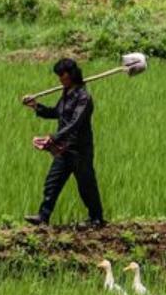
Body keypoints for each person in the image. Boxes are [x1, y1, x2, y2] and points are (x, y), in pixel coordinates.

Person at [22, 58, 105, 228]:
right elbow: (56, 113)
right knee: (52, 182)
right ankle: (43, 216)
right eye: (58, 75)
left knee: (86, 185)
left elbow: (75, 123)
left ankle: (96, 219)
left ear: (72, 74)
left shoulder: (83, 97)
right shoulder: (66, 93)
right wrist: (36, 106)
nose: (60, 78)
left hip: (79, 149)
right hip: (63, 148)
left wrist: (52, 138)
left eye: (62, 75)